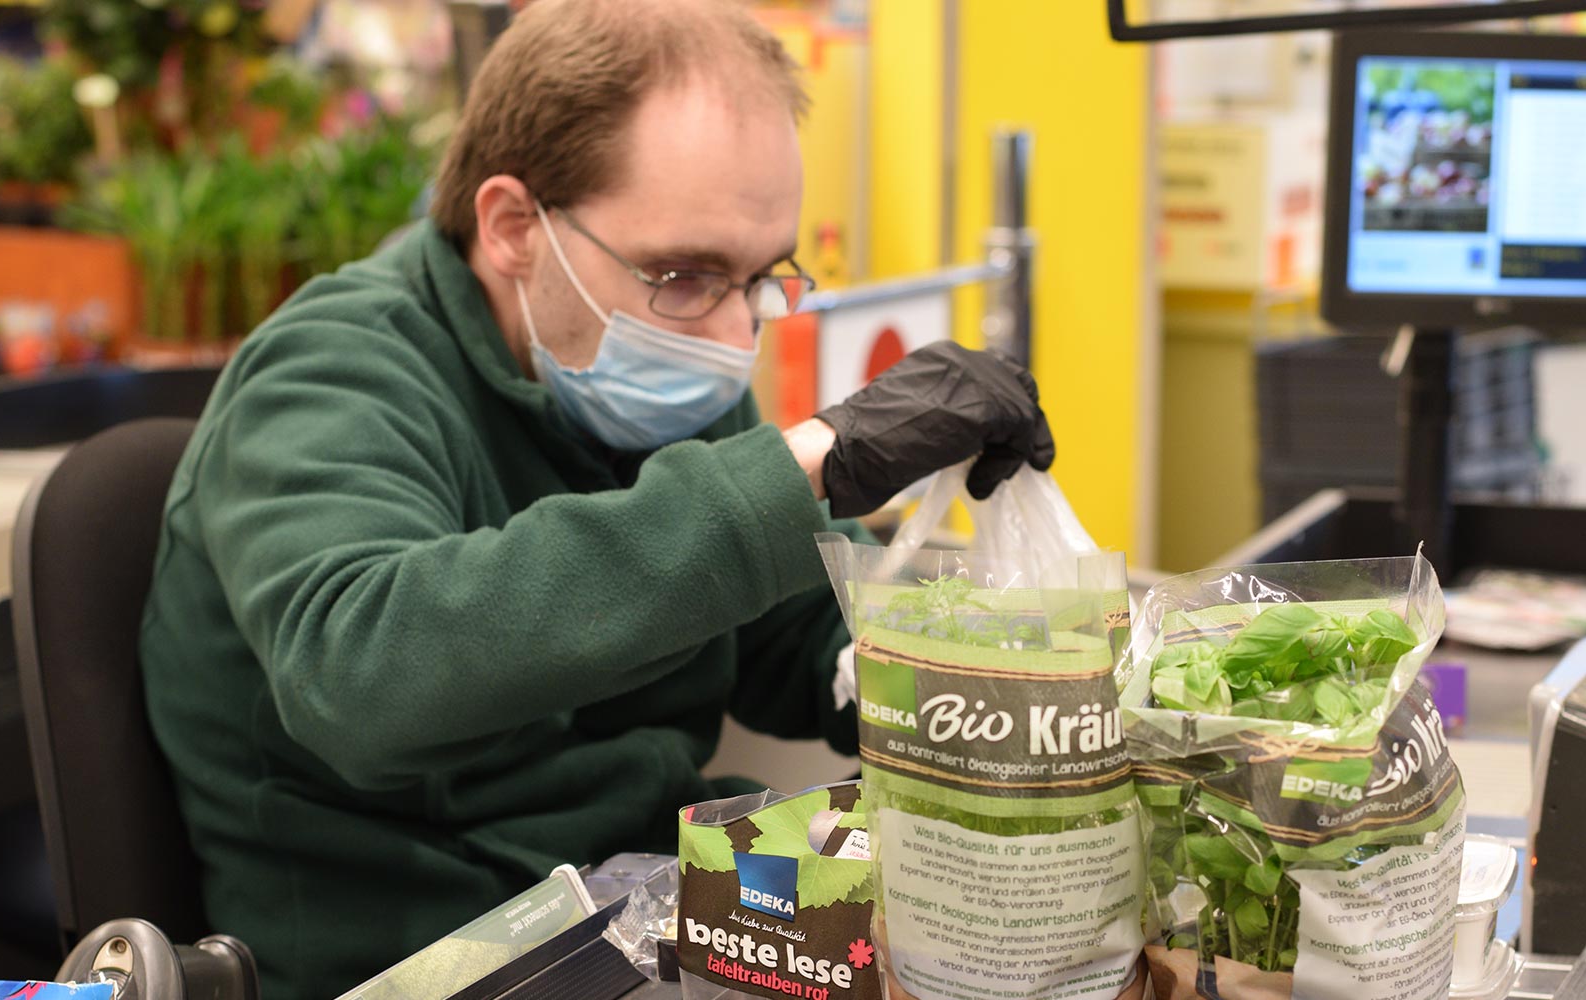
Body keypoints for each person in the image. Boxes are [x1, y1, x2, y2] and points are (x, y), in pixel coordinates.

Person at [138, 1, 1053, 997]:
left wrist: (1010, 700)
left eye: (761, 277)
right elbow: (360, 670)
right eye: (685, 274)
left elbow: (795, 638)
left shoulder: (654, 367)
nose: (732, 330)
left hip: (651, 892)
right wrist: (810, 465)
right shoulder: (330, 375)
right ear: (513, 227)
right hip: (427, 948)